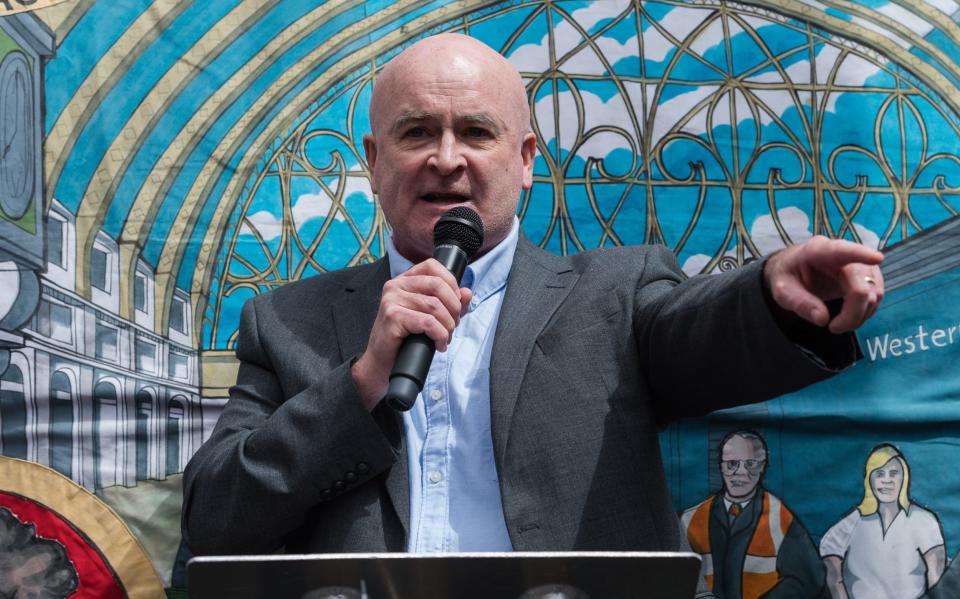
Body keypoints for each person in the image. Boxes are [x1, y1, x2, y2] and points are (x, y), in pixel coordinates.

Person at [181, 33, 884, 556]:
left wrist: (769, 293)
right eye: (417, 132)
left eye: (476, 132)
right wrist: (361, 382)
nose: (447, 158)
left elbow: (698, 329)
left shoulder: (613, 293)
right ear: (372, 161)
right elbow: (213, 517)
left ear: (524, 163)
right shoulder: (287, 320)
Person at [681, 431, 826, 599]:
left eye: (751, 463)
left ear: (762, 466)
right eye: (732, 464)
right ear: (721, 466)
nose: (741, 472)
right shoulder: (690, 519)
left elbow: (807, 580)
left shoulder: (779, 517)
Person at [820, 444, 945, 599]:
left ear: (904, 478)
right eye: (879, 474)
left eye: (894, 473)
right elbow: (831, 568)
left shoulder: (923, 520)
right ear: (869, 480)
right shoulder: (852, 522)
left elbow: (936, 578)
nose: (887, 480)